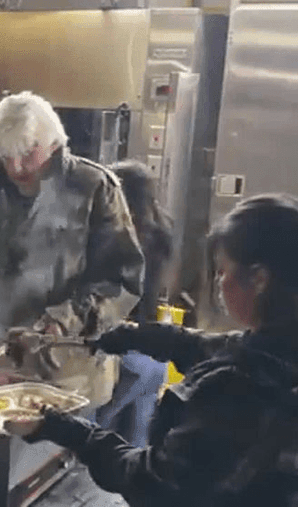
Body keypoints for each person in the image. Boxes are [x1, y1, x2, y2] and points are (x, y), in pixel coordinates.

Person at [13, 194, 298, 507]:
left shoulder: (238, 393)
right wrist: (129, 336)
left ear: (260, 279)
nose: (218, 282)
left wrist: (59, 427)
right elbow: (215, 348)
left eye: (224, 271)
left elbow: (150, 482)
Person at [0, 91, 144, 362]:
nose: (16, 168)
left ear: (54, 143)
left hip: (66, 369)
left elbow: (120, 282)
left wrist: (63, 321)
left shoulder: (94, 188)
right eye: (5, 155)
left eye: (26, 153)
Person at [95, 160, 174, 447]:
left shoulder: (123, 238)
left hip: (124, 359)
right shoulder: (163, 229)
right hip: (155, 354)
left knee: (94, 446)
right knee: (137, 449)